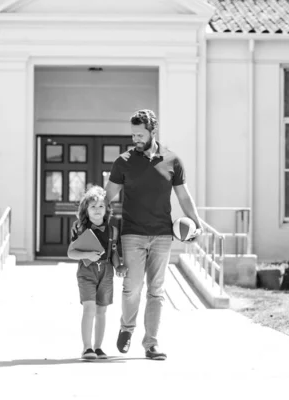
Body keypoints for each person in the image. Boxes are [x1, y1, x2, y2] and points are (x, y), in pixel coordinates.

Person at [104, 109, 202, 361]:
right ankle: (127, 329)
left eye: (139, 134)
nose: (135, 138)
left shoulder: (172, 160)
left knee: (157, 290)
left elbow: (183, 196)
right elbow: (107, 196)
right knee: (132, 287)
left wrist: (197, 223)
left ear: (152, 132)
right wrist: (90, 221)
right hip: (132, 233)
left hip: (162, 234)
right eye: (133, 134)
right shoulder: (123, 162)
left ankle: (151, 343)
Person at [67, 185, 126, 360]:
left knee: (102, 310)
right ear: (86, 209)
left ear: (107, 209)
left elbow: (113, 251)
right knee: (89, 308)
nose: (97, 210)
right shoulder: (80, 228)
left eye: (101, 206)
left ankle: (98, 347)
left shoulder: (113, 230)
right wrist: (87, 255)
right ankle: (87, 348)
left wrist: (119, 267)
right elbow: (71, 253)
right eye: (93, 206)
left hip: (106, 272)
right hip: (87, 271)